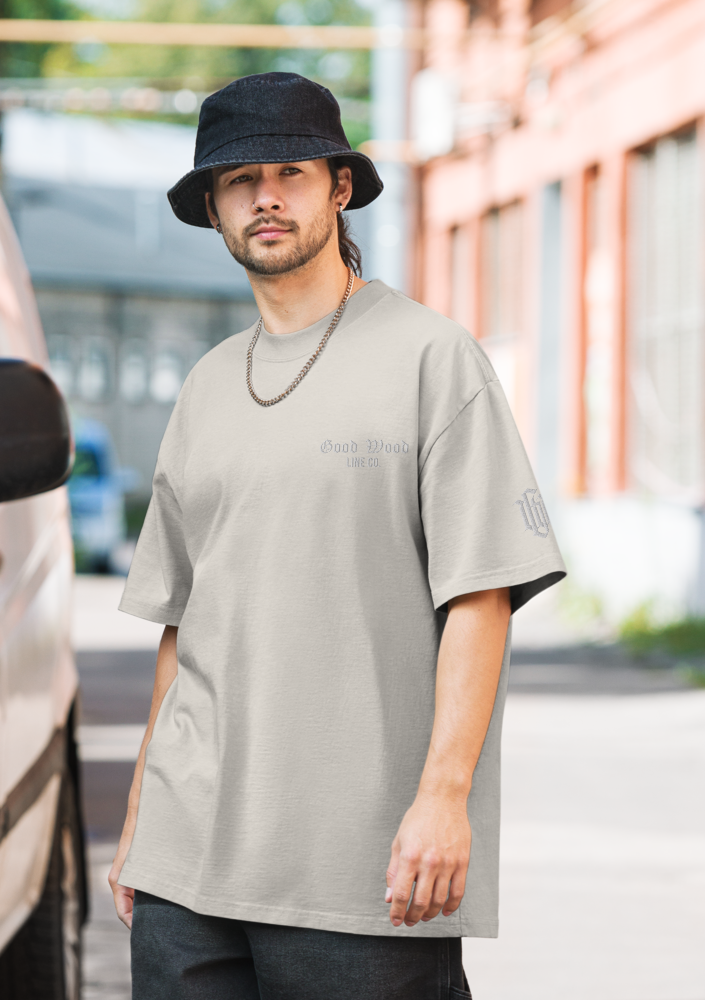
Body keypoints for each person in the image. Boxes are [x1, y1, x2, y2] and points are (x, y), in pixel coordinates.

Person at [109, 72, 566, 999]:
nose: (265, 196)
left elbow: (481, 597)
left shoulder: (433, 360)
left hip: (360, 876)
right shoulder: (202, 387)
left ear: (340, 187)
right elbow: (182, 625)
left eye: (290, 171)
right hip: (186, 870)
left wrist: (444, 798)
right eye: (238, 180)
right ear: (213, 207)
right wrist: (140, 812)